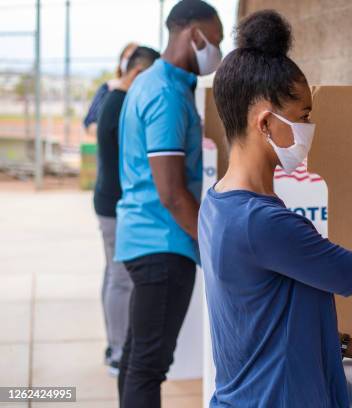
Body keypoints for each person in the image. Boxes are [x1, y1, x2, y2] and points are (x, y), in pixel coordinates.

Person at [199, 10, 352, 408]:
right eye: (304, 116)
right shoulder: (261, 223)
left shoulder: (219, 204)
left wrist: (350, 346)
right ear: (265, 123)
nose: (310, 128)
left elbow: (269, 319)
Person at [114, 1, 223, 407]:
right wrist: (212, 244)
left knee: (137, 357)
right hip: (162, 243)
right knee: (148, 365)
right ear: (194, 34)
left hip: (145, 238)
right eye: (216, 38)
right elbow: (173, 193)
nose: (218, 48)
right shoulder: (165, 95)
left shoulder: (154, 83)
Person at [94, 46, 160, 376]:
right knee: (120, 280)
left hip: (107, 201)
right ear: (136, 74)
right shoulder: (121, 105)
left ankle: (113, 344)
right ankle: (118, 352)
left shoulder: (113, 98)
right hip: (114, 205)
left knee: (113, 276)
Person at [83, 42, 138, 134]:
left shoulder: (143, 92)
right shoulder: (107, 88)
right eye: (127, 58)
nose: (129, 62)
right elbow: (89, 122)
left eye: (133, 58)